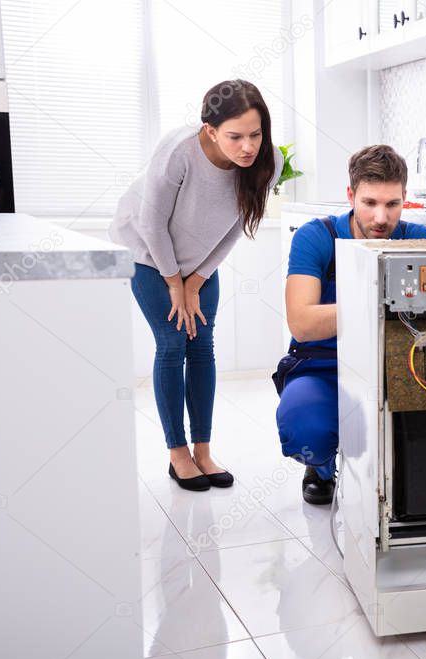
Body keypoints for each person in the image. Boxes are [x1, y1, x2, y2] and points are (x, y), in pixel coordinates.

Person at [110, 79, 283, 492]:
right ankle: (178, 454)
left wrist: (197, 279)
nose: (248, 147)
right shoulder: (179, 151)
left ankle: (204, 452)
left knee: (202, 344)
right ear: (210, 130)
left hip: (198, 261)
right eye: (235, 137)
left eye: (255, 135)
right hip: (147, 252)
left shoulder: (267, 162)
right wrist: (174, 282)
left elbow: (238, 224)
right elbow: (151, 223)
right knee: (172, 343)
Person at [276, 145, 426, 504]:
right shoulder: (316, 237)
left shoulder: (417, 238)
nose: (381, 217)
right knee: (306, 432)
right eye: (370, 203)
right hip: (322, 365)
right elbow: (303, 324)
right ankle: (319, 465)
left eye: (392, 204)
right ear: (351, 195)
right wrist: (381, 300)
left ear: (405, 199)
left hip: (395, 366)